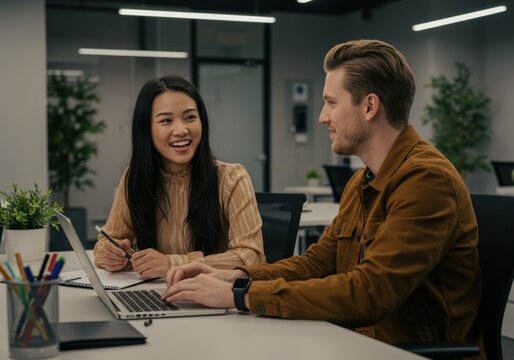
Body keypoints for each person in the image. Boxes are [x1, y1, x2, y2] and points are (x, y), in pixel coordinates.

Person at [160, 40, 484, 356]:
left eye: (331, 102)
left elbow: (370, 293)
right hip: (359, 342)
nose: (322, 117)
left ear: (370, 106)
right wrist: (239, 276)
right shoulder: (363, 181)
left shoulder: (425, 180)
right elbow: (317, 263)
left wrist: (240, 295)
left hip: (407, 351)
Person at [93, 75, 265, 278]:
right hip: (156, 295)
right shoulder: (135, 178)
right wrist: (110, 254)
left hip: (214, 299)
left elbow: (252, 258)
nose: (181, 130)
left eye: (190, 117)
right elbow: (106, 241)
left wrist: (172, 263)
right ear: (146, 130)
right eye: (166, 120)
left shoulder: (232, 178)